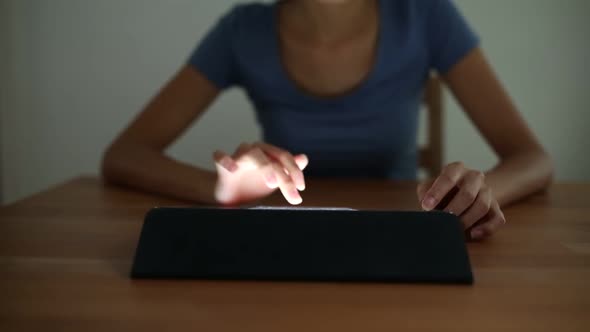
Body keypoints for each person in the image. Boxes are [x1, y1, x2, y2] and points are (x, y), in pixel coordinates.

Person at [102, 0, 553, 240]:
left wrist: (481, 194)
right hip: (286, 241)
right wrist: (224, 189)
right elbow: (124, 155)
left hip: (396, 238)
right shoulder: (242, 30)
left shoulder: (425, 14)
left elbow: (533, 159)